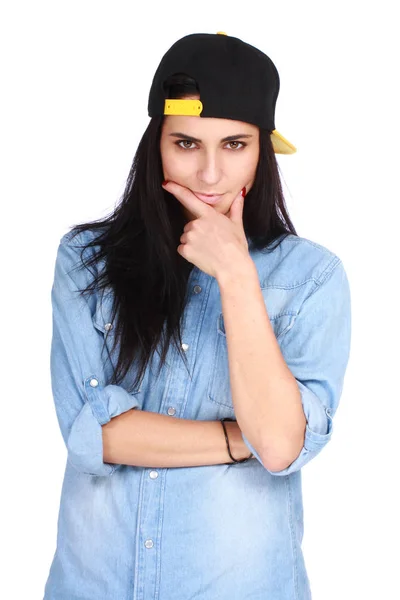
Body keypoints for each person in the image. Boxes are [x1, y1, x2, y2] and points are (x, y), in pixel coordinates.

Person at [43, 32, 352, 600]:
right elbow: (94, 437)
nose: (210, 174)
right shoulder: (86, 263)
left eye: (234, 145)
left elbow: (281, 446)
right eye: (186, 143)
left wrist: (236, 276)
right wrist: (240, 440)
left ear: (262, 153)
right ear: (155, 146)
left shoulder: (312, 278)